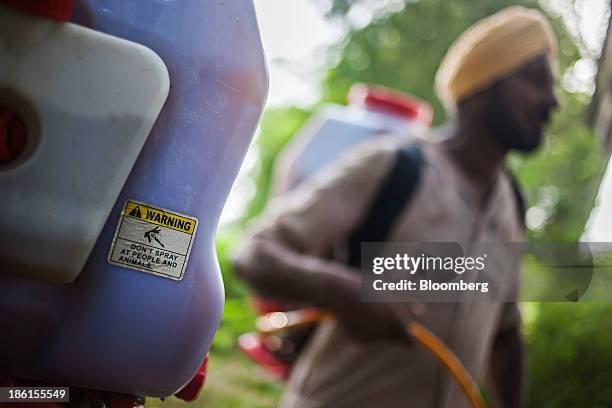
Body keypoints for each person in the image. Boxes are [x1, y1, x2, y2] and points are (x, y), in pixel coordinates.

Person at [233, 6, 558, 408]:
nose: (552, 102)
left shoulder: (512, 206)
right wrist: (343, 291)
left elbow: (505, 332)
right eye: (535, 81)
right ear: (482, 87)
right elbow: (254, 254)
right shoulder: (393, 166)